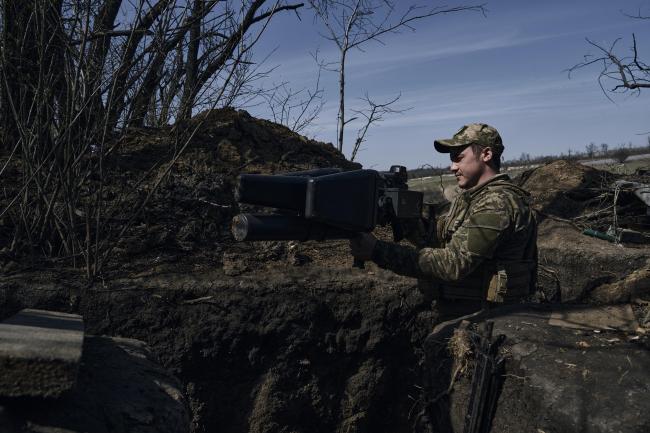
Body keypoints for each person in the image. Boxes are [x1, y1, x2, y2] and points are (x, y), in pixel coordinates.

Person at [350, 123, 537, 320]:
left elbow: (453, 264)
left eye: (459, 157)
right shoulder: (472, 198)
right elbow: (437, 237)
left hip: (490, 318)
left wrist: (377, 251)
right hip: (468, 311)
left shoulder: (497, 203)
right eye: (451, 159)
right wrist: (404, 218)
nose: (452, 166)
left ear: (487, 154)